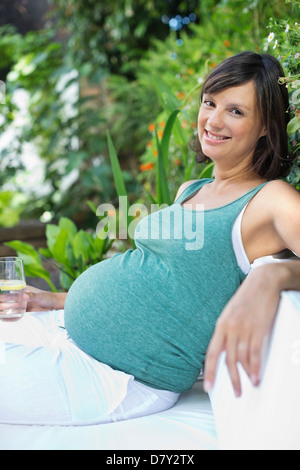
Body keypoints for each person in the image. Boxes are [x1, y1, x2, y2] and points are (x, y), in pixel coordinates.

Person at [1, 51, 299, 426]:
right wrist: (56, 300)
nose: (213, 120)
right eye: (210, 103)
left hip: (120, 380)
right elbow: (163, 277)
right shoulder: (193, 189)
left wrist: (277, 275)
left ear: (265, 127)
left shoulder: (270, 200)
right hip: (70, 337)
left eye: (236, 111)